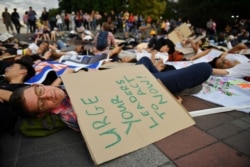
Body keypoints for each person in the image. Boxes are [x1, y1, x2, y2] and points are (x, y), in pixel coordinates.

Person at [7, 58, 212, 131]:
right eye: (42, 104)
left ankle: (168, 80)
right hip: (143, 89)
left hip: (130, 78)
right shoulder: (72, 114)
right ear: (43, 114)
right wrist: (166, 100)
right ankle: (170, 84)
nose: (48, 95)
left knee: (144, 60)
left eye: (40, 91)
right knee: (203, 69)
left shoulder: (60, 87)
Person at [0, 57, 35, 135]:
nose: (6, 69)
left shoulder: (25, 89)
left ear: (23, 71)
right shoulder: (3, 84)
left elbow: (25, 100)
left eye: (11, 67)